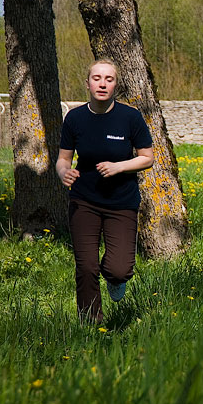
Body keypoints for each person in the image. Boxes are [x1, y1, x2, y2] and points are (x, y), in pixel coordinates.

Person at [56, 59, 154, 325]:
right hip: (84, 200)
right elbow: (63, 159)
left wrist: (120, 166)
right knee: (86, 267)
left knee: (119, 269)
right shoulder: (74, 118)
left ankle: (114, 279)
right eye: (97, 78)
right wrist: (64, 172)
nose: (102, 83)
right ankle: (91, 325)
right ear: (87, 83)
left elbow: (147, 158)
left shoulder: (130, 117)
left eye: (108, 79)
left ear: (115, 85)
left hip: (122, 202)